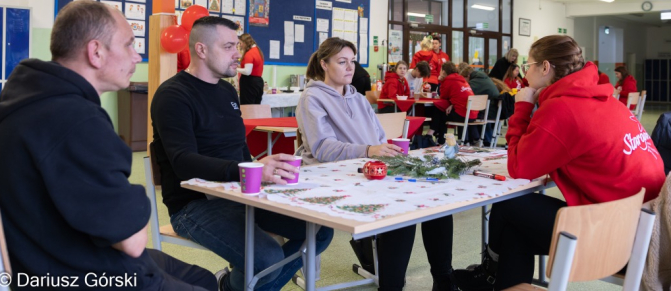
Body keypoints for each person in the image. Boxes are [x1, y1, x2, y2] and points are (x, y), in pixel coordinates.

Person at [0, 0, 216, 291]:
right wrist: (134, 198)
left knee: (204, 276)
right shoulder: (77, 122)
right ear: (96, 52)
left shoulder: (22, 97)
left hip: (42, 258)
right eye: (128, 45)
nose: (136, 56)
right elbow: (133, 241)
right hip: (80, 272)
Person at [454, 35, 665, 291]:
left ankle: (489, 276)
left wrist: (522, 107)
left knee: (508, 206)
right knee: (514, 228)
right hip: (645, 232)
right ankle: (496, 280)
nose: (524, 72)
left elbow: (519, 168)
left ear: (545, 67)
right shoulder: (606, 100)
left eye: (528, 65)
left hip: (615, 240)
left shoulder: (562, 108)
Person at [151, 16, 333, 291]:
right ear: (201, 50)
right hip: (194, 205)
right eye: (228, 47)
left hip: (241, 192)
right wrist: (250, 170)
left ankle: (231, 286)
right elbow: (184, 163)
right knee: (266, 259)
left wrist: (258, 167)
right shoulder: (173, 95)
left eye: (237, 46)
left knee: (319, 231)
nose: (238, 54)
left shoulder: (226, 90)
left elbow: (237, 148)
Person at [296, 37, 456, 291]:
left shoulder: (358, 99)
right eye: (342, 62)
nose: (350, 68)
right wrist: (370, 150)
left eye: (352, 62)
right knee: (402, 212)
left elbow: (378, 138)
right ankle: (392, 285)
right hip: (328, 175)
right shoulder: (312, 98)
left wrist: (383, 152)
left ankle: (443, 280)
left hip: (366, 170)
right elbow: (323, 149)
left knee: (435, 202)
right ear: (324, 64)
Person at [426, 62, 479, 145]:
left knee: (440, 111)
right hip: (473, 114)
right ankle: (434, 137)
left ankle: (437, 138)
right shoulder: (460, 79)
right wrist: (452, 104)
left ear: (443, 72)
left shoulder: (448, 80)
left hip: (463, 114)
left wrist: (440, 80)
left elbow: (443, 96)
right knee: (442, 112)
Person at [459, 64, 501, 146]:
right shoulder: (484, 78)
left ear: (467, 75)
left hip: (489, 112)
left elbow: (465, 95)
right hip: (495, 110)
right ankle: (476, 139)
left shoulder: (474, 83)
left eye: (464, 79)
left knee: (466, 114)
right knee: (471, 112)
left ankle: (471, 139)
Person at [238, 33, 265, 104]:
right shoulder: (258, 51)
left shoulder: (249, 54)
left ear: (244, 42)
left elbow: (247, 72)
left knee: (247, 108)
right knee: (256, 107)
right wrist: (240, 67)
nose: (240, 46)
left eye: (240, 43)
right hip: (258, 82)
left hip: (249, 83)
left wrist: (235, 69)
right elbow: (254, 67)